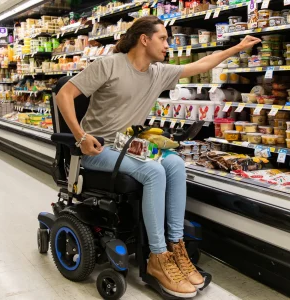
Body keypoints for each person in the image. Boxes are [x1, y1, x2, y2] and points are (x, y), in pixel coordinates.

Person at [56, 16, 261, 298]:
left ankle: (176, 248)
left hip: (129, 146)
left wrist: (236, 48)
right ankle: (157, 256)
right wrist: (81, 136)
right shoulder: (108, 65)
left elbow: (201, 65)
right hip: (97, 151)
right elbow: (64, 94)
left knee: (175, 163)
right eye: (163, 38)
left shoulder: (158, 72)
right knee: (154, 172)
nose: (168, 44)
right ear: (144, 39)